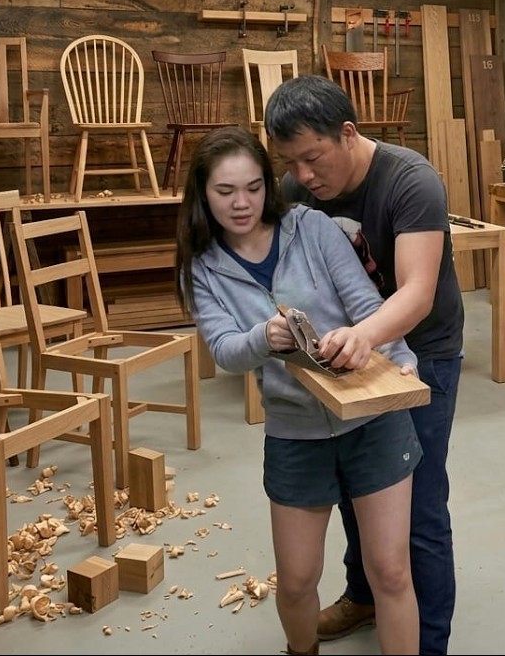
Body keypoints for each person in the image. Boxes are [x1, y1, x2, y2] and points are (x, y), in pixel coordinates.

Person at [174, 125, 422, 655]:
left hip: (372, 421)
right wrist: (264, 337)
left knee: (392, 572)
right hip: (295, 433)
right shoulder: (205, 266)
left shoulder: (312, 227)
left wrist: (396, 360)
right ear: (203, 194)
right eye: (225, 192)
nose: (242, 203)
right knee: (295, 580)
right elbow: (223, 349)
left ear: (268, 184)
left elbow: (368, 308)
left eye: (253, 188)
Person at [264, 75, 465, 655]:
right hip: (345, 349)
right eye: (290, 162)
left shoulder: (410, 181)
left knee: (418, 502)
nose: (302, 175)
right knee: (358, 483)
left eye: (312, 157)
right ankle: (365, 595)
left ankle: (427, 644)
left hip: (418, 350)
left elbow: (417, 292)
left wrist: (367, 337)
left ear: (347, 134)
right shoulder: (297, 189)